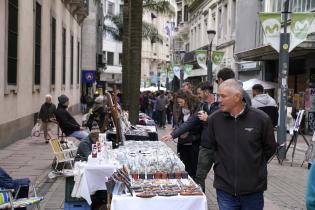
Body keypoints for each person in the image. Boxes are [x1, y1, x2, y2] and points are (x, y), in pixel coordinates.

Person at [208, 79, 276, 210]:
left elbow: (270, 148)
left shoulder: (261, 119)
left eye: (223, 96)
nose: (219, 100)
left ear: (237, 97)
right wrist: (220, 165)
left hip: (253, 190)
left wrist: (255, 164)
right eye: (218, 96)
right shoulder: (214, 120)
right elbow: (212, 147)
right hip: (225, 189)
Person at [162, 82, 219, 190]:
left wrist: (208, 119)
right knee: (198, 176)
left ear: (206, 92)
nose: (198, 95)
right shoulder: (202, 106)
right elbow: (189, 122)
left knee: (219, 177)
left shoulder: (219, 104)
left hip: (216, 146)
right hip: (204, 145)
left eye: (199, 93)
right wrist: (174, 134)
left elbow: (222, 123)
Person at [163, 90, 201, 178]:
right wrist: (176, 128)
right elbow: (181, 123)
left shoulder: (196, 109)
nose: (179, 104)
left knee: (193, 171)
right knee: (184, 168)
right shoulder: (182, 110)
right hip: (183, 144)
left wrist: (173, 135)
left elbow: (189, 124)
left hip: (193, 145)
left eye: (180, 102)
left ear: (187, 100)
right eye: (178, 102)